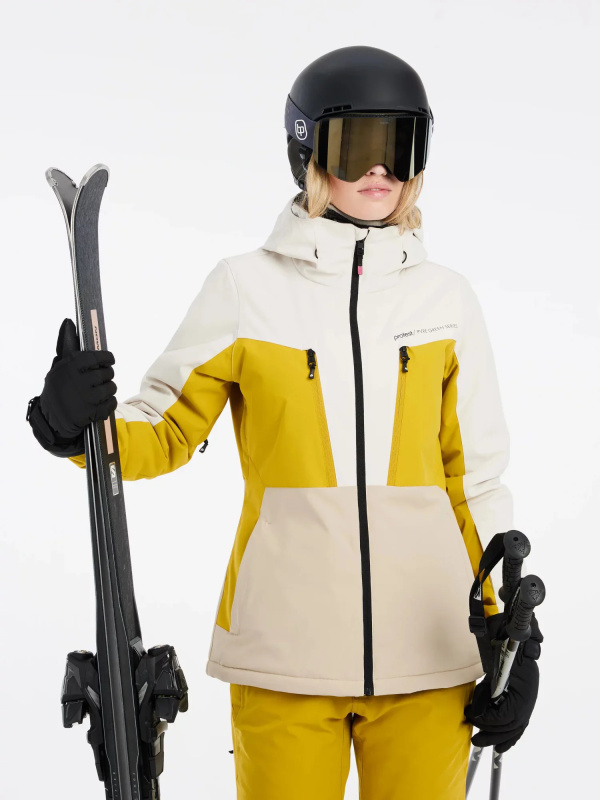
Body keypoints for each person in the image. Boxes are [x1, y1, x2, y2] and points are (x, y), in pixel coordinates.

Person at [27, 45, 542, 800]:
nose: (380, 170)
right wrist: (71, 425)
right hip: (284, 653)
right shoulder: (246, 289)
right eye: (357, 146)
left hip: (432, 651)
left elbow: (477, 482)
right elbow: (164, 429)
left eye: (400, 147)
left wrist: (512, 634)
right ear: (309, 152)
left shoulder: (446, 300)